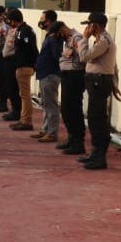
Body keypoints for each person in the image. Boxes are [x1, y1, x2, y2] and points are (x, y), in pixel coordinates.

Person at [78, 13, 120, 170]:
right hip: (97, 80)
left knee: (97, 118)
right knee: (94, 117)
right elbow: (114, 65)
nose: (87, 28)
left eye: (89, 25)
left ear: (95, 26)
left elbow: (84, 56)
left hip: (99, 81)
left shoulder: (103, 41)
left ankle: (100, 156)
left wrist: (84, 39)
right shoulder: (103, 40)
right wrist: (115, 84)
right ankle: (95, 153)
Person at [48, 20, 87, 155]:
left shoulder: (77, 38)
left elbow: (82, 57)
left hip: (75, 76)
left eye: (58, 35)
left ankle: (78, 142)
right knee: (65, 109)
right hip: (67, 75)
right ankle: (71, 137)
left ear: (62, 31)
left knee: (73, 109)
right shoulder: (68, 39)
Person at [31, 10, 62, 144]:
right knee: (45, 104)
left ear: (49, 21)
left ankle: (52, 132)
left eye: (43, 19)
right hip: (44, 73)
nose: (41, 21)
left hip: (50, 74)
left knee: (51, 105)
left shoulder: (55, 37)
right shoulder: (49, 35)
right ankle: (45, 129)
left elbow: (56, 56)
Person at [8, 8, 38, 131]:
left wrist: (15, 42)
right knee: (24, 95)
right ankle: (24, 119)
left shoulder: (23, 32)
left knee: (25, 95)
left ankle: (26, 121)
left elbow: (26, 48)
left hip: (24, 66)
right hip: (26, 65)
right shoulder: (25, 30)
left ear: (14, 21)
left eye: (10, 21)